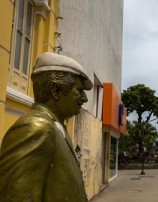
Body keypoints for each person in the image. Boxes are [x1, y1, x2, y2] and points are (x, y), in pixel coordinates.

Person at [0, 52, 93, 202]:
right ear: (55, 91)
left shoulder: (56, 128)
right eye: (79, 90)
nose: (84, 98)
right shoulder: (37, 128)